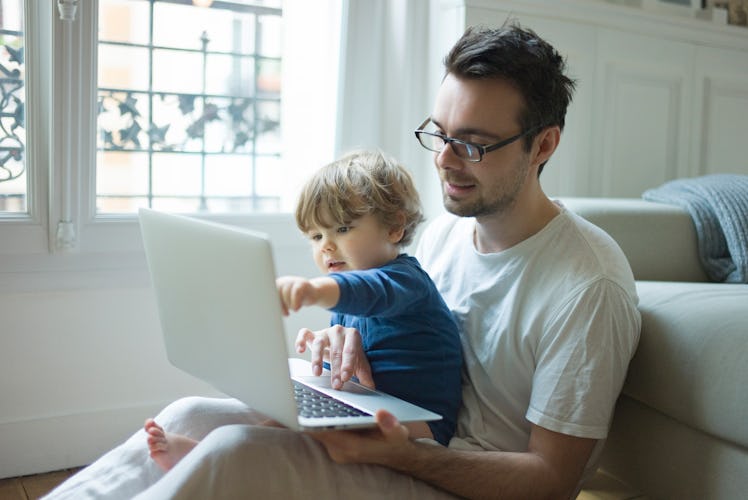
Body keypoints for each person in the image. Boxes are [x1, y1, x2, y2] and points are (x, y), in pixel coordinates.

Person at [45, 22, 641, 500]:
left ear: (544, 144)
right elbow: (397, 325)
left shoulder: (588, 285)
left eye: (474, 144)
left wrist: (405, 454)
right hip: (399, 435)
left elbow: (553, 481)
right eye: (439, 134)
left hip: (452, 478)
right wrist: (344, 345)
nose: (446, 161)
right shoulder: (444, 239)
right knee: (191, 414)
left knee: (231, 452)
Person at [142, 150, 462, 471]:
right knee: (295, 417)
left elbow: (371, 291)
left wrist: (313, 290)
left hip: (423, 427)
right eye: (316, 235)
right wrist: (323, 362)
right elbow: (354, 367)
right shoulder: (345, 299)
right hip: (375, 405)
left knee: (293, 435)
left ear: (394, 228)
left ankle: (205, 458)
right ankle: (204, 454)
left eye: (342, 229)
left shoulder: (406, 281)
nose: (326, 245)